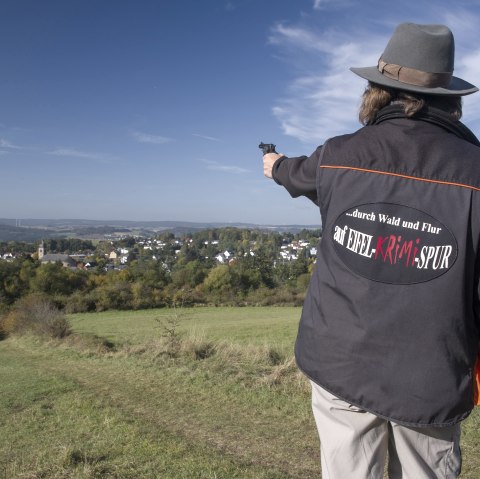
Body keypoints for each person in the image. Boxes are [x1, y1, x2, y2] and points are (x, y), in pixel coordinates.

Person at [263, 23, 480, 478]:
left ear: (378, 90)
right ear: (450, 97)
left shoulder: (339, 154)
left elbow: (296, 174)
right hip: (432, 375)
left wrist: (274, 165)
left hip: (341, 363)